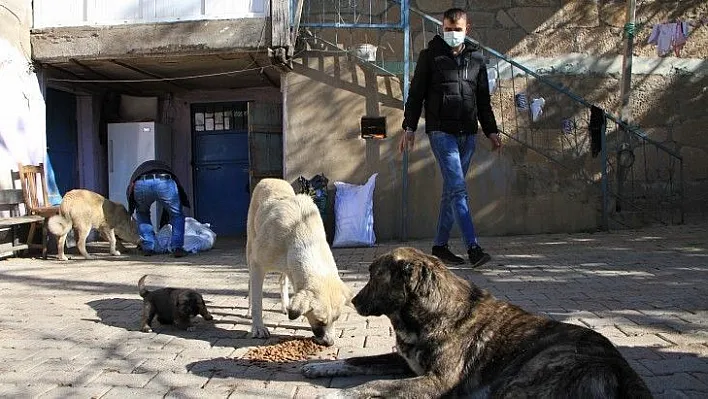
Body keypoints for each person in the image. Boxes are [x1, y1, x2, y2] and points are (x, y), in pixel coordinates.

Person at [399, 8, 502, 268]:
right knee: (457, 189)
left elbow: (482, 100)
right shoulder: (430, 57)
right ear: (442, 28)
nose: (452, 33)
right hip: (441, 132)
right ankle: (473, 248)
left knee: (450, 192)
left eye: (457, 29)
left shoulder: (477, 59)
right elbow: (416, 95)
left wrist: (491, 129)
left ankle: (440, 246)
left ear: (467, 29)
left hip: (467, 134)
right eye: (448, 29)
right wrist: (409, 127)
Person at [126, 160, 190, 257]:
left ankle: (148, 247)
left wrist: (131, 208)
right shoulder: (167, 169)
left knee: (142, 213)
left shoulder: (139, 170)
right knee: (177, 215)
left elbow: (130, 192)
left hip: (141, 183)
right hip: (164, 181)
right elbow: (178, 189)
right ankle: (177, 248)